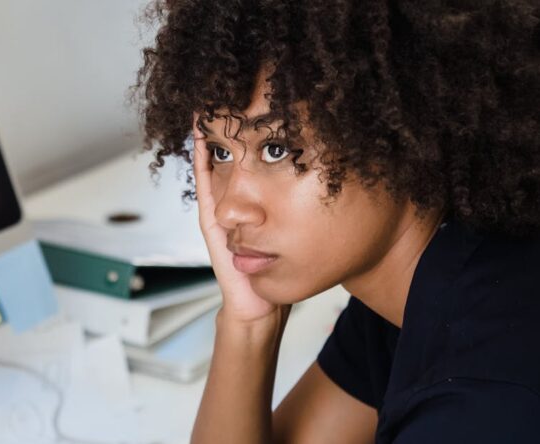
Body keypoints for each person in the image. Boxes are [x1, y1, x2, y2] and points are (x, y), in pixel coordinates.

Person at [134, 0, 540, 442]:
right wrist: (247, 325)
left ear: (398, 129)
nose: (228, 209)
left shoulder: (485, 406)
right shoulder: (421, 289)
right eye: (220, 152)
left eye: (277, 148)